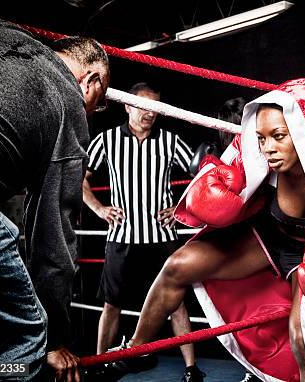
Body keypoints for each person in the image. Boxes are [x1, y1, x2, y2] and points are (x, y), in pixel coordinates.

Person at [126, 78, 305, 381]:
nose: (268, 148)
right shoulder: (253, 151)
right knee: (177, 266)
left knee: (303, 339)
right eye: (262, 138)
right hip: (264, 240)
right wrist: (206, 193)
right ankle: (132, 352)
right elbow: (214, 173)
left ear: (304, 133)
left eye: (278, 136)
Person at [0, 20, 109, 381]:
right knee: (24, 336)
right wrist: (54, 338)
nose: (90, 112)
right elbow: (53, 242)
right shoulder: (67, 101)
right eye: (98, 103)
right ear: (90, 82)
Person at [82, 82, 204, 381]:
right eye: (143, 106)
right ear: (127, 105)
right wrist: (99, 209)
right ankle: (99, 365)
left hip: (162, 239)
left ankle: (191, 369)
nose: (150, 113)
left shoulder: (171, 141)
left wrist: (181, 209)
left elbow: (202, 175)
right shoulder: (107, 141)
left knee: (176, 305)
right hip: (122, 237)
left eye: (156, 108)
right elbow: (80, 179)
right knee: (111, 305)